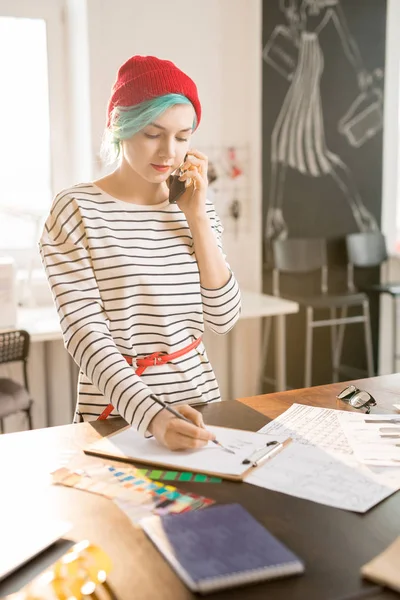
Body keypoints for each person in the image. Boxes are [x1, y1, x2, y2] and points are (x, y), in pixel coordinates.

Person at [39, 55, 241, 450]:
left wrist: (197, 218)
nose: (169, 152)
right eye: (153, 133)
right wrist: (154, 416)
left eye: (183, 137)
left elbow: (224, 318)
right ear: (120, 126)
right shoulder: (77, 210)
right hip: (117, 415)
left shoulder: (197, 204)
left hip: (200, 405)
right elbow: (85, 336)